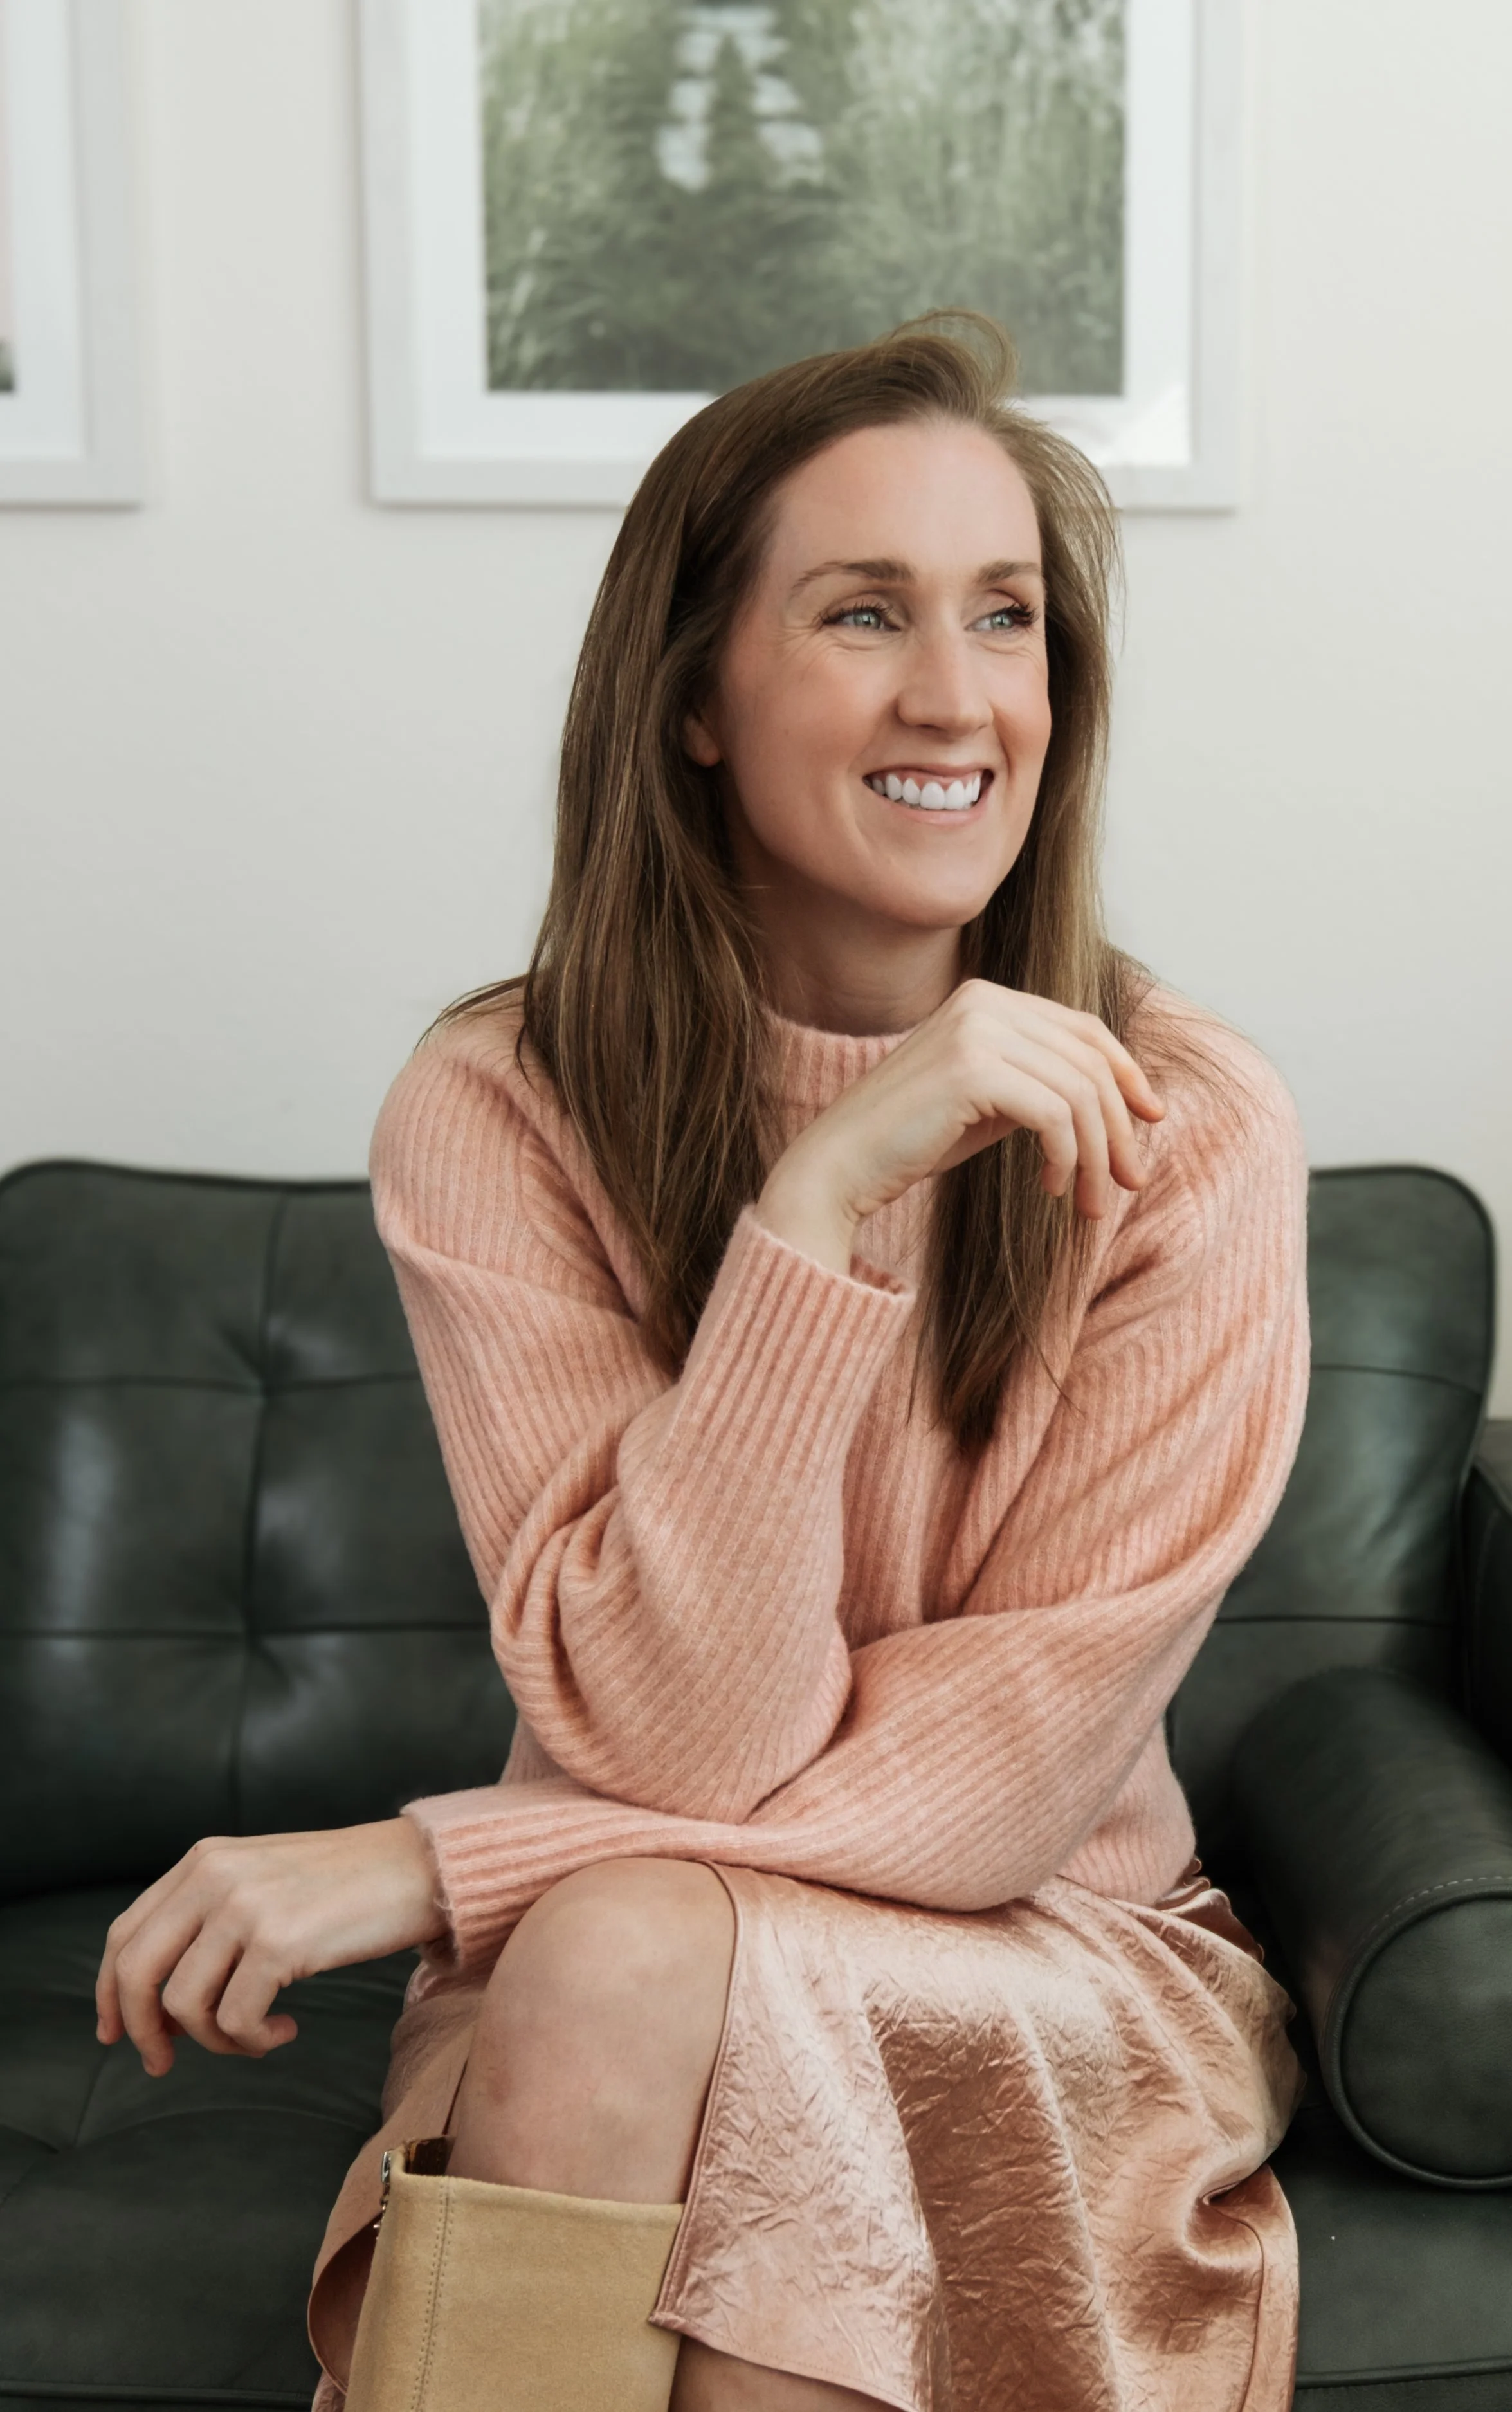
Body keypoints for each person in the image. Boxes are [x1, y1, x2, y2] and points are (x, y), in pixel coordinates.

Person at [93, 319, 1309, 2412]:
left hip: (1054, 1954)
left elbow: (1000, 1789)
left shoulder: (1187, 1126)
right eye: (862, 612)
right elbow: (681, 1728)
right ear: (690, 703)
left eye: (1002, 616)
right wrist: (815, 1209)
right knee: (623, 1969)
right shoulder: (497, 1105)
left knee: (619, 1956)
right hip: (615, 1973)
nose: (956, 697)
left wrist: (445, 1861)